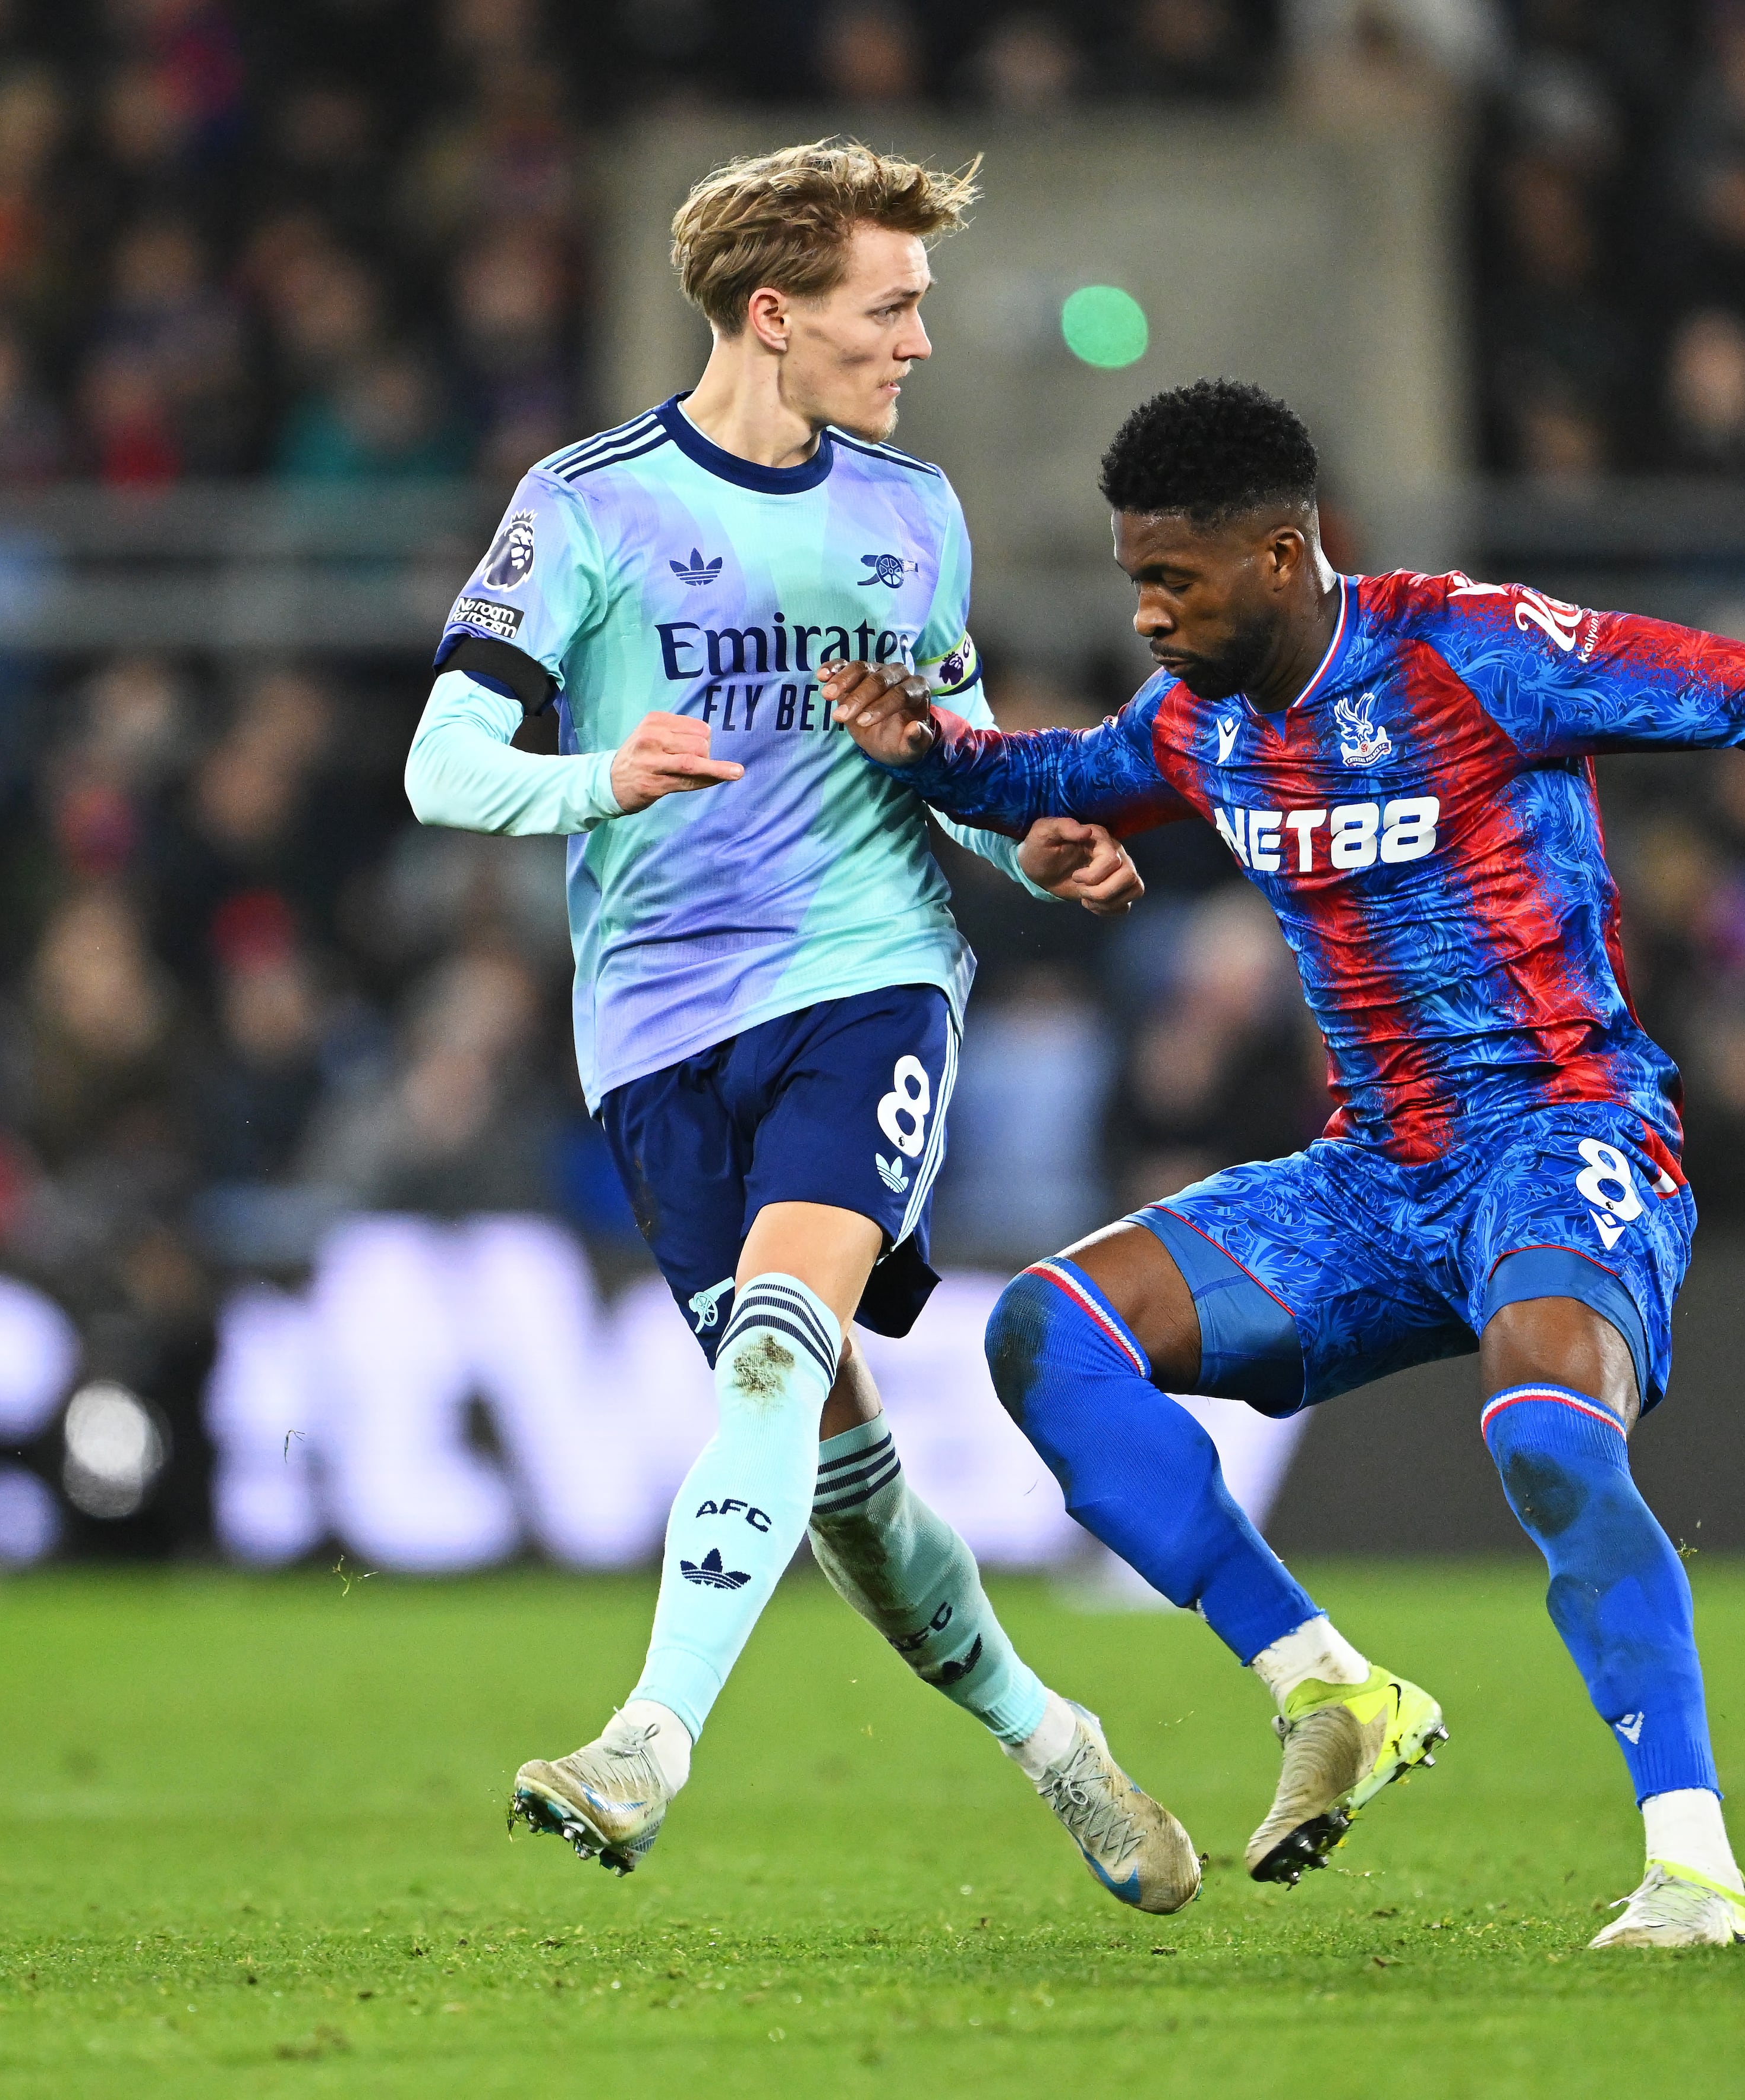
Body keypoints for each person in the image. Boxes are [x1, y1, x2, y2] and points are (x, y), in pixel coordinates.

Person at [827, 378, 1745, 1949]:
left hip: (1566, 1132)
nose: (1147, 613)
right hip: (1370, 1183)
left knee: (1548, 1434)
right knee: (1043, 1336)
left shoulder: (1468, 653)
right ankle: (1328, 1688)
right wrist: (930, 749)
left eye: (1176, 579)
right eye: (1132, 580)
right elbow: (1053, 779)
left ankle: (1697, 1869)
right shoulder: (1201, 721)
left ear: (1285, 556)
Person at [402, 139, 1197, 1912]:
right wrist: (600, 775)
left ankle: (645, 1744)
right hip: (658, 1026)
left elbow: (954, 746)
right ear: (774, 318)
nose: (917, 340)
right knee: (839, 1471)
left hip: (866, 968)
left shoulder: (910, 513)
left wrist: (1032, 835)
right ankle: (1050, 1736)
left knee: (772, 1345)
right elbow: (438, 762)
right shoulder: (591, 505)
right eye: (887, 306)